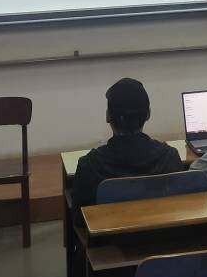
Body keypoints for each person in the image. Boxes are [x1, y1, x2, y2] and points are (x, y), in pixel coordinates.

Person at [71, 78, 184, 207]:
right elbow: (179, 208)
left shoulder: (89, 165)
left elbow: (79, 216)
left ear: (108, 116)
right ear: (148, 114)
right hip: (160, 221)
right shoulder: (169, 158)